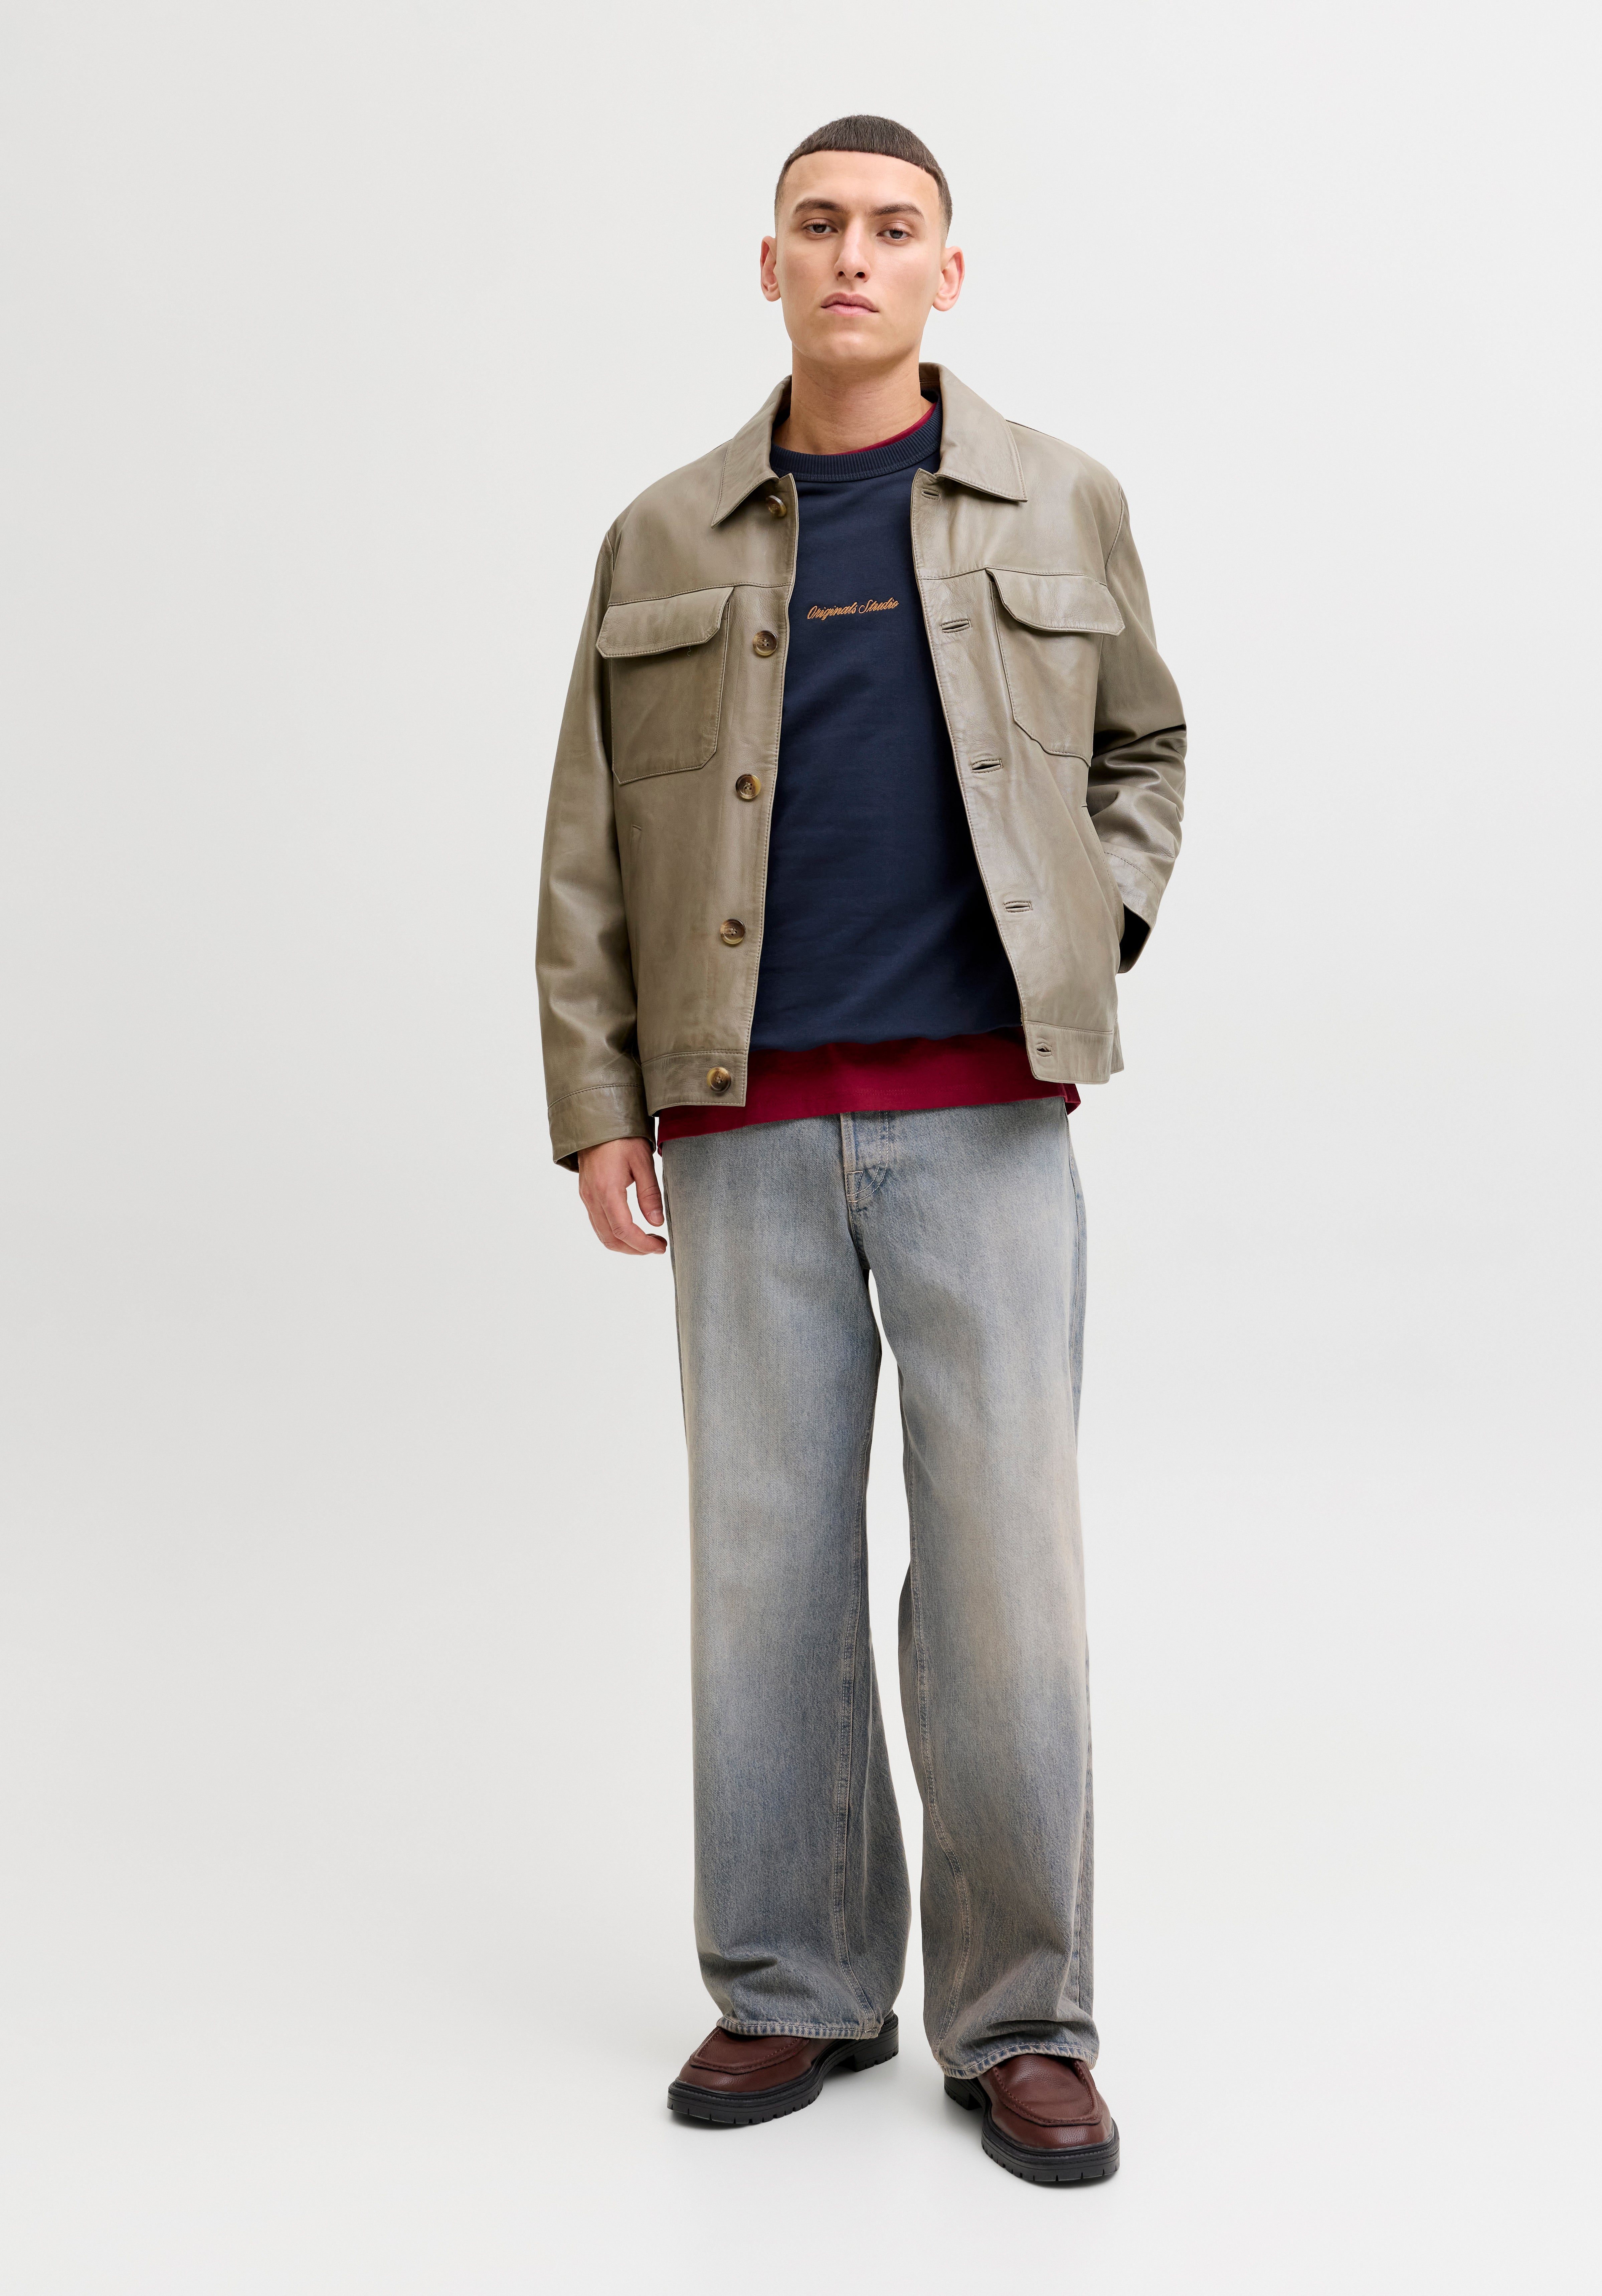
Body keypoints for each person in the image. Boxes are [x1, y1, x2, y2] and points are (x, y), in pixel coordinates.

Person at [536, 114, 1186, 2184]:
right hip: (739, 1126)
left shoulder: (1059, 497)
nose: (851, 255)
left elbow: (1146, 746)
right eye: (816, 224)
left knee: (1007, 1594)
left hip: (982, 1121)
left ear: (944, 274)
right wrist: (598, 1101)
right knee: (766, 1581)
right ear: (767, 264)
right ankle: (796, 1984)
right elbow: (585, 843)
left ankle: (1023, 2023)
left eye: (892, 228)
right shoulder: (659, 536)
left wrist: (1089, 931)